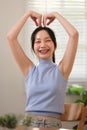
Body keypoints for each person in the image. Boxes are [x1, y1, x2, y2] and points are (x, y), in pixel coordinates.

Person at [7, 11, 79, 130]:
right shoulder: (29, 70)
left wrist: (56, 14)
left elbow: (74, 34)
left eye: (47, 40)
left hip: (51, 126)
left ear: (54, 45)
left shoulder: (62, 70)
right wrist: (28, 14)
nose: (42, 45)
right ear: (34, 47)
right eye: (38, 41)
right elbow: (11, 37)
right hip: (28, 125)